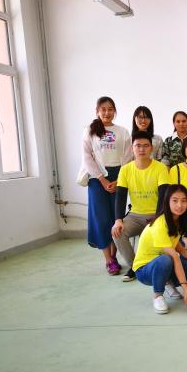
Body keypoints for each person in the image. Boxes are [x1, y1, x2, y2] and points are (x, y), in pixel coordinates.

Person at [77, 96, 132, 275]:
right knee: (101, 218)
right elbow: (87, 157)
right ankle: (108, 260)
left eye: (110, 109)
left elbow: (128, 157)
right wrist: (102, 179)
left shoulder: (123, 131)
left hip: (119, 176)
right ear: (97, 111)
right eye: (103, 109)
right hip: (96, 178)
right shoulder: (90, 130)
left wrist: (119, 180)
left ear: (114, 111)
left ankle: (115, 256)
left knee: (116, 217)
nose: (107, 113)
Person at [112, 135, 170, 282]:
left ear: (151, 148)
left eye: (145, 145)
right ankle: (136, 267)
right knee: (117, 232)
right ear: (132, 148)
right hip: (135, 216)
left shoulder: (160, 168)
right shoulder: (125, 169)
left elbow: (164, 196)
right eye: (138, 145)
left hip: (156, 215)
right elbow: (120, 197)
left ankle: (149, 266)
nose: (142, 149)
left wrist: (157, 218)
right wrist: (118, 220)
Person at [133, 185, 187, 314]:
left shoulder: (178, 219)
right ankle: (158, 295)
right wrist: (186, 289)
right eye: (175, 200)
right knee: (166, 259)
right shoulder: (160, 224)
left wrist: (186, 253)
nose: (179, 205)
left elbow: (173, 241)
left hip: (168, 262)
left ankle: (167, 280)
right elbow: (174, 257)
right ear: (167, 202)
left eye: (183, 201)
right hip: (145, 270)